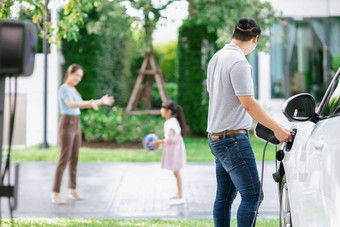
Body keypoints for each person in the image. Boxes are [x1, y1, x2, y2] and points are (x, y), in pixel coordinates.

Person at [207, 18, 293, 227]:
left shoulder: (217, 57)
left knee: (224, 198)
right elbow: (249, 103)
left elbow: (212, 91)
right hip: (233, 140)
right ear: (255, 39)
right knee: (253, 195)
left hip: (216, 138)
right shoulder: (238, 62)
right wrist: (277, 129)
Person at [52, 64, 114, 205]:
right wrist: (93, 102)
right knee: (64, 159)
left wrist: (98, 102)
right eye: (76, 75)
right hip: (67, 124)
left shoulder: (74, 90)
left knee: (74, 158)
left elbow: (83, 104)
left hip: (76, 124)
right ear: (70, 73)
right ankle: (55, 193)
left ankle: (72, 189)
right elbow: (72, 105)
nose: (78, 79)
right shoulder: (64, 89)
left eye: (80, 77)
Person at [151, 100, 187, 205]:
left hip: (176, 150)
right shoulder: (171, 121)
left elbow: (171, 139)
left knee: (176, 172)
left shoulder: (171, 123)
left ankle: (180, 196)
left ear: (169, 111)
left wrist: (158, 142)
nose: (161, 110)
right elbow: (170, 138)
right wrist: (161, 144)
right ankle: (179, 193)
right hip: (174, 149)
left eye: (163, 108)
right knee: (176, 172)